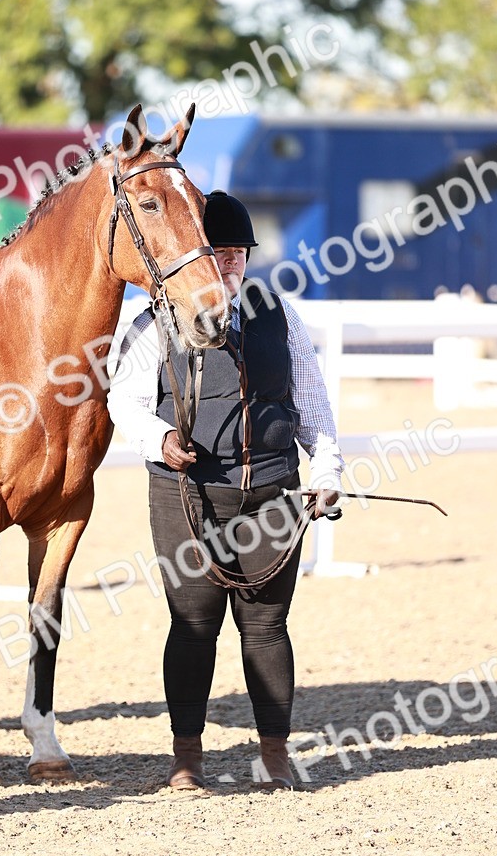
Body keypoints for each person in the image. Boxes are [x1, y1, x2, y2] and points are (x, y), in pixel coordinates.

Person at [107, 190, 344, 790]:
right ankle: (187, 757)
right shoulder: (153, 324)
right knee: (193, 625)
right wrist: (160, 439)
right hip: (189, 497)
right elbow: (125, 402)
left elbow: (311, 403)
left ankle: (273, 754)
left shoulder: (278, 315)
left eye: (239, 251)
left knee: (267, 626)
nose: (231, 262)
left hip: (272, 491)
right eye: (219, 250)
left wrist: (326, 472)